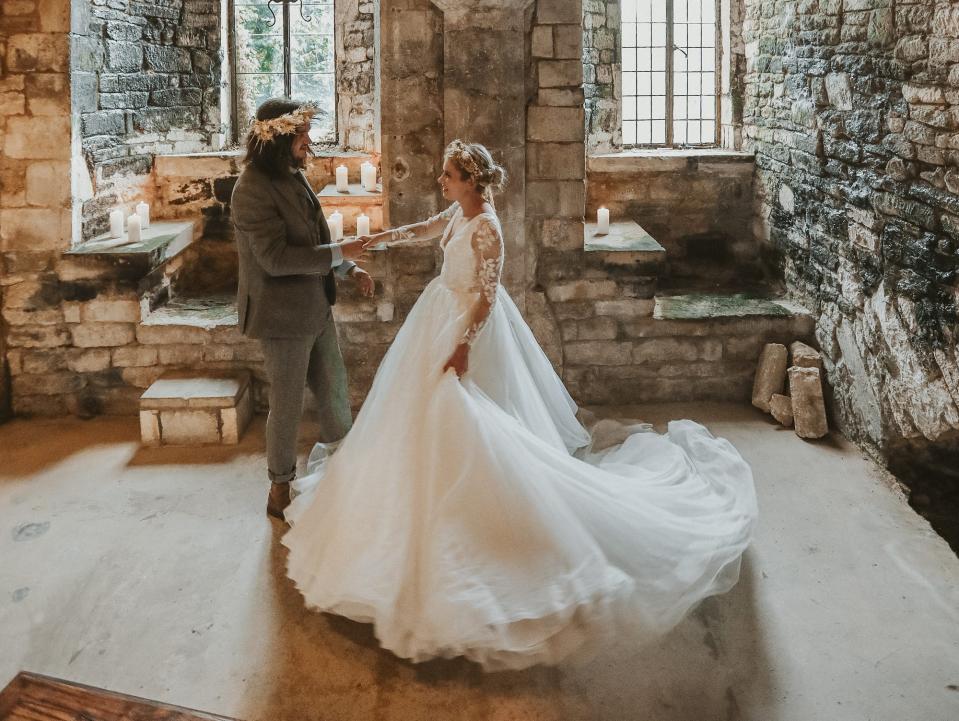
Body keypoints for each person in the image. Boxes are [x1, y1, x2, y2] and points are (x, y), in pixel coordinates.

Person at [282, 140, 758, 670]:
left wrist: (462, 344)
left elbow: (487, 295)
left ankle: (484, 512)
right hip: (436, 312)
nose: (441, 181)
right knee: (425, 417)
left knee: (464, 415)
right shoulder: (459, 213)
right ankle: (435, 495)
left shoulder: (488, 226)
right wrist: (378, 239)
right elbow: (423, 229)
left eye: (448, 175)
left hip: (465, 326)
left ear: (470, 180)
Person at [231, 98, 375, 519]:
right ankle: (279, 487)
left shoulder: (291, 174)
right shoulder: (251, 189)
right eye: (300, 135)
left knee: (334, 394)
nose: (307, 142)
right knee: (288, 404)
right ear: (276, 139)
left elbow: (315, 238)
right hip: (280, 317)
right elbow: (275, 259)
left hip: (315, 307)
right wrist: (339, 252)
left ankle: (343, 473)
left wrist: (348, 267)